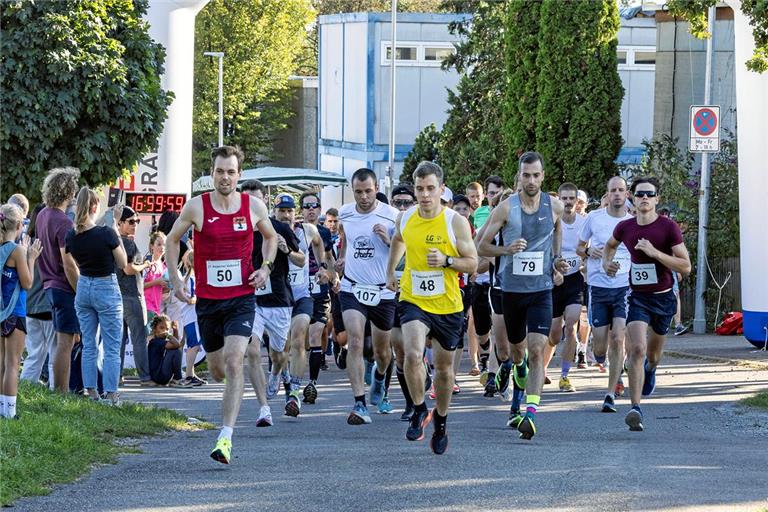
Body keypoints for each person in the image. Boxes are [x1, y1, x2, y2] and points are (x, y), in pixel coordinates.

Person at [167, 145, 277, 464]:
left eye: (231, 171)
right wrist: (175, 279)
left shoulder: (252, 206)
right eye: (219, 171)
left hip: (241, 298)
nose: (225, 177)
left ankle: (225, 437)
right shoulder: (196, 207)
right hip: (208, 303)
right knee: (217, 370)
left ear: (239, 175)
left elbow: (269, 238)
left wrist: (265, 267)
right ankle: (225, 402)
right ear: (211, 173)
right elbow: (173, 239)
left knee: (234, 361)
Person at [387, 161, 477, 454]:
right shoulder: (406, 218)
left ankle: (440, 421)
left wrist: (448, 261)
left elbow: (473, 263)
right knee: (412, 354)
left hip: (448, 305)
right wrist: (391, 271)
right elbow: (398, 241)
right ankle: (417, 408)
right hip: (414, 298)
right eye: (419, 189)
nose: (424, 195)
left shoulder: (455, 222)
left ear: (441, 189)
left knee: (444, 372)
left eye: (430, 189)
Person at [477, 152, 568, 440]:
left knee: (538, 349)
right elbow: (481, 246)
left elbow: (556, 234)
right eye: (526, 175)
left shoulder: (553, 206)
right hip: (512, 292)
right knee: (516, 354)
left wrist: (556, 262)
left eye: (536, 175)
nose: (531, 180)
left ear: (543, 176)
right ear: (519, 176)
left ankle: (530, 412)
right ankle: (517, 371)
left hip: (541, 291)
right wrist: (506, 251)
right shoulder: (506, 208)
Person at [602, 176, 691, 432]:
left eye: (649, 194)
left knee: (652, 355)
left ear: (657, 199)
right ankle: (635, 409)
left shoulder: (668, 227)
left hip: (663, 297)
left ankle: (651, 370)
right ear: (632, 197)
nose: (644, 198)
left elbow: (686, 266)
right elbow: (609, 247)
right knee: (637, 349)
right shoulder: (625, 228)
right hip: (638, 297)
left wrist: (655, 253)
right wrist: (607, 264)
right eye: (640, 194)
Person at [336, 168, 398, 425]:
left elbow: (402, 253)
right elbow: (346, 241)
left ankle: (380, 378)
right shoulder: (345, 213)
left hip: (383, 290)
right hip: (352, 287)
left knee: (383, 352)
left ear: (376, 189)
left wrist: (387, 240)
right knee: (356, 340)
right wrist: (341, 259)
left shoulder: (392, 216)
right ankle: (359, 403)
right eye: (359, 192)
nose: (363, 197)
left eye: (368, 191)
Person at [241, 180, 298, 427]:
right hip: (248, 299)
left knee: (279, 354)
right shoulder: (237, 228)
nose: (252, 204)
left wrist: (286, 251)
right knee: (252, 350)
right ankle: (264, 408)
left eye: (256, 199)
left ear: (265, 200)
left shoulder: (279, 228)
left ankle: (276, 373)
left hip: (278, 300)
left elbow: (302, 260)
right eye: (247, 199)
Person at [576, 176, 634, 412]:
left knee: (619, 337)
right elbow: (579, 247)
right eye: (613, 190)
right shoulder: (594, 218)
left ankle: (610, 392)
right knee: (601, 345)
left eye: (621, 190)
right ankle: (601, 359)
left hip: (623, 287)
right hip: (598, 288)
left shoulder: (633, 222)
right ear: (607, 195)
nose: (617, 194)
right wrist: (590, 251)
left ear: (627, 193)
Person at [65, 187, 127, 404]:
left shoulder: (71, 235)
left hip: (84, 286)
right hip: (106, 287)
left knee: (89, 344)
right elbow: (123, 263)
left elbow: (71, 260)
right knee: (111, 345)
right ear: (93, 207)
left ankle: (90, 391)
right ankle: (111, 394)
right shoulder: (106, 233)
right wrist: (115, 229)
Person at [35, 167, 81, 392]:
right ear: (69, 193)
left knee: (62, 342)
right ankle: (61, 392)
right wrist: (80, 289)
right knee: (65, 342)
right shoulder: (63, 222)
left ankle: (59, 389)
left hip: (48, 284)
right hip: (63, 286)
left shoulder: (43, 214)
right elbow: (69, 262)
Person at [542, 183, 587, 392]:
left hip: (574, 280)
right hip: (554, 280)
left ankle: (565, 375)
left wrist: (587, 261)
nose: (568, 202)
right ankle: (541, 369)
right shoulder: (550, 223)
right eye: (564, 198)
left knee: (571, 325)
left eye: (572, 199)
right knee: (553, 335)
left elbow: (590, 248)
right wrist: (553, 269)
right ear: (558, 200)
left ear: (577, 202)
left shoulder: (584, 223)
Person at [1, 204, 42, 418]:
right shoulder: (17, 250)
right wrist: (31, 258)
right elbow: (27, 283)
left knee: (2, 363)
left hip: (0, 312)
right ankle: (10, 412)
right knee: (13, 363)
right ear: (19, 225)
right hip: (15, 312)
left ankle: (1, 409)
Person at [297, 192, 333, 406]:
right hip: (299, 288)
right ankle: (292, 381)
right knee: (299, 338)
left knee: (316, 334)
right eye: (307, 206)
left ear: (320, 209)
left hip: (320, 287)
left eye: (315, 206)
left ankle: (312, 383)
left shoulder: (324, 233)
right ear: (301, 210)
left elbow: (328, 256)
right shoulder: (295, 230)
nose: (311, 209)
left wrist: (332, 275)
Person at [19, 204, 56, 387]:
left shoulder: (24, 243)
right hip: (46, 304)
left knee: (35, 353)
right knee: (53, 353)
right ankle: (55, 393)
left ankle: (26, 388)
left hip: (29, 305)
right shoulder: (46, 243)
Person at [115, 206, 153, 386]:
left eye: (137, 221)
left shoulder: (112, 242)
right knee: (139, 338)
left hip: (116, 297)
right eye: (131, 222)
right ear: (120, 223)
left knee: (119, 340)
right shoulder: (128, 244)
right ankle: (145, 377)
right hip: (131, 295)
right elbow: (129, 269)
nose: (135, 225)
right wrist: (145, 265)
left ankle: (117, 375)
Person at [145, 314, 186, 386]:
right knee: (176, 351)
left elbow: (175, 344)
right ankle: (177, 378)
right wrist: (168, 334)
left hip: (160, 375)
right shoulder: (156, 342)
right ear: (154, 329)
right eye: (161, 328)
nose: (164, 331)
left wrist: (175, 330)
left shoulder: (160, 340)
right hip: (159, 377)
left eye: (167, 329)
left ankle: (176, 379)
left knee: (175, 350)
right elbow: (177, 345)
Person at [143, 231, 167, 322]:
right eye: (159, 244)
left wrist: (167, 287)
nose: (162, 247)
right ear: (152, 246)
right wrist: (157, 282)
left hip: (157, 307)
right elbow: (139, 285)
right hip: (147, 306)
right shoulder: (147, 263)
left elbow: (162, 290)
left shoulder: (164, 266)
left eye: (164, 245)